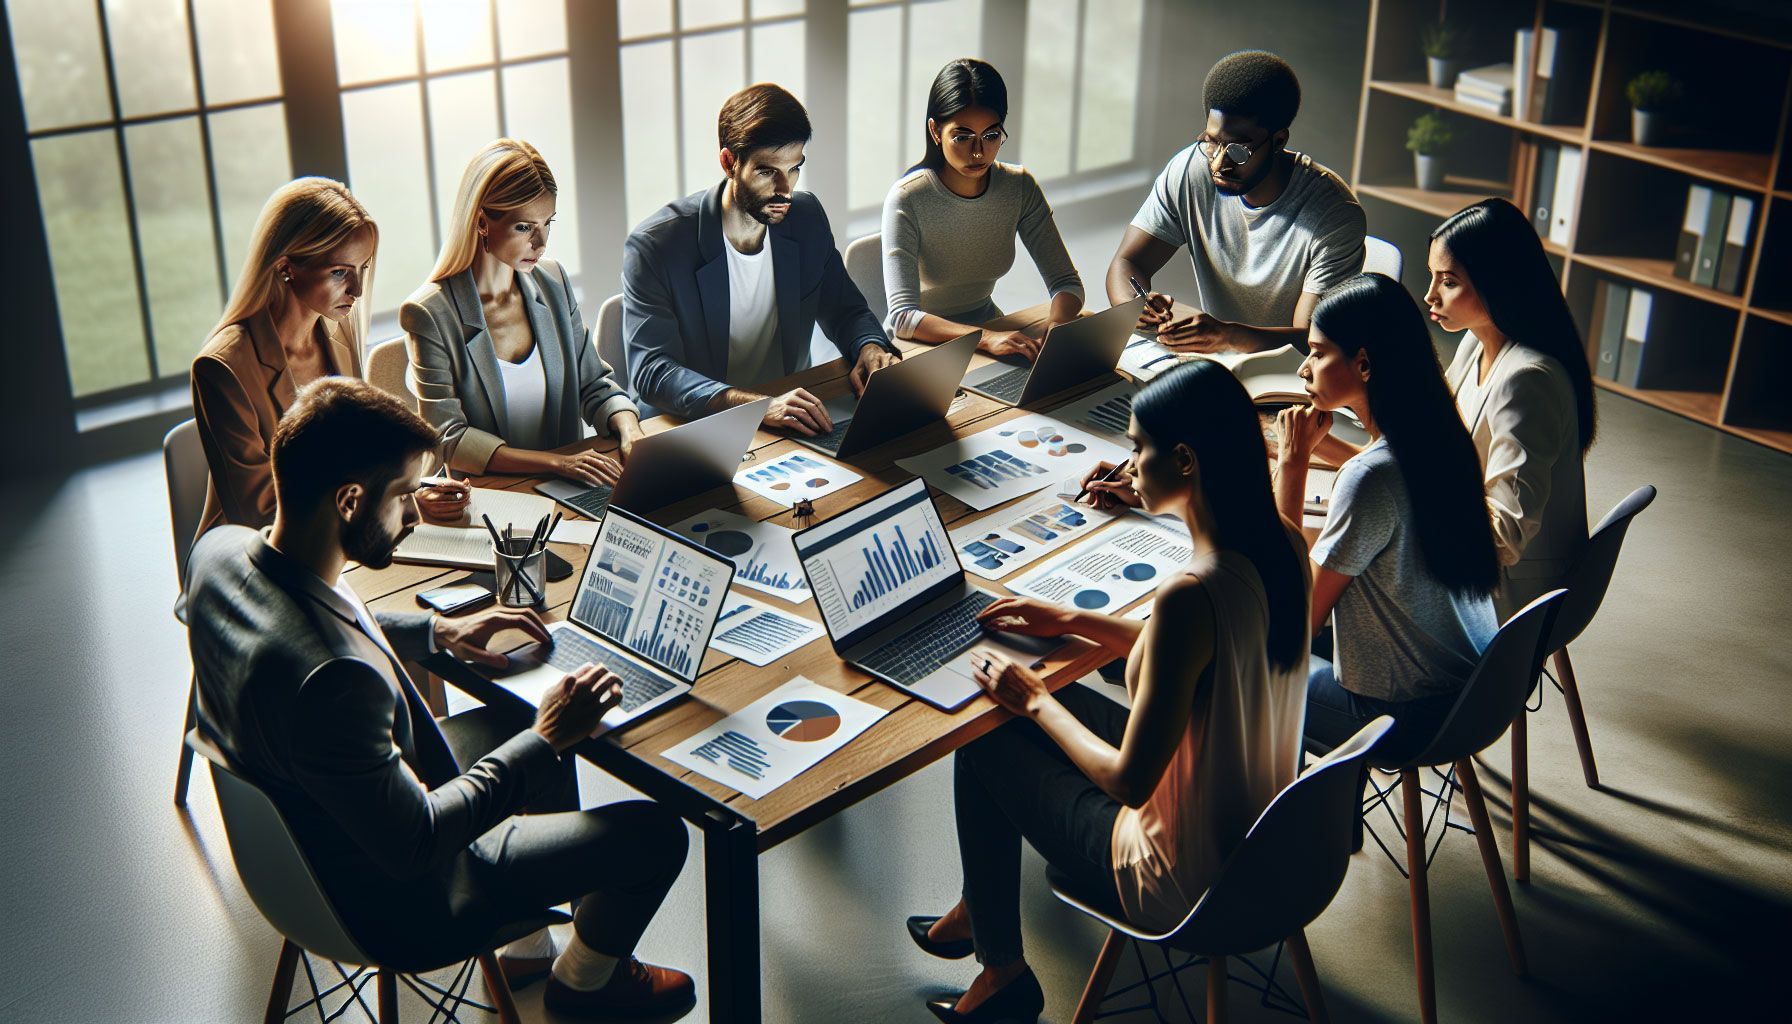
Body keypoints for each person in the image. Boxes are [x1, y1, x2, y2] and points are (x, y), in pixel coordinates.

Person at [184, 378, 696, 1019]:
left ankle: (533, 948)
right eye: (403, 495)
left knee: (521, 730)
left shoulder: (219, 552)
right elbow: (418, 842)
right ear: (349, 500)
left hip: (311, 827)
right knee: (653, 833)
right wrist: (546, 738)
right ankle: (585, 985)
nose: (414, 515)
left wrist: (436, 629)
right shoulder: (335, 683)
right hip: (401, 899)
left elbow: (316, 624)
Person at [906, 361, 1311, 1023]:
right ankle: (980, 912)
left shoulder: (1190, 594)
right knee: (1010, 711)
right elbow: (1207, 651)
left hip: (1179, 873)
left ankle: (1001, 969)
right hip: (1263, 833)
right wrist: (1069, 620)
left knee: (985, 729)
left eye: (1137, 449)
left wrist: (1036, 699)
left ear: (1184, 460)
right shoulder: (1285, 546)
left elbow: (1128, 783)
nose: (1127, 465)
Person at [1271, 274, 1500, 758]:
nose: (1303, 370)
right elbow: (1387, 487)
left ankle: (1296, 826)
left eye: (1316, 353)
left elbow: (1293, 624)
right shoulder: (1438, 434)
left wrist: (1292, 465)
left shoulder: (1368, 479)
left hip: (1404, 717)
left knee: (1234, 669)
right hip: (1476, 691)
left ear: (1364, 363)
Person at [622, 83, 901, 431]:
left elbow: (845, 308)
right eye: (768, 172)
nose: (786, 190)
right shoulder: (656, 246)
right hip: (693, 427)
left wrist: (869, 346)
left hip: (788, 415)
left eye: (794, 168)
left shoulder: (806, 217)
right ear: (728, 162)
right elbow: (653, 371)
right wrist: (757, 407)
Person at [404, 139, 643, 489]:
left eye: (548, 222)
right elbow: (450, 438)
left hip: (570, 487)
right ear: (482, 222)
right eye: (524, 227)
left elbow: (593, 384)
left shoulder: (554, 281)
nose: (541, 242)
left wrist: (630, 429)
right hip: (494, 499)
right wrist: (557, 464)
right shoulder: (429, 313)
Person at [1106, 50, 1365, 356]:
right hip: (1218, 363)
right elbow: (1127, 263)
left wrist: (1228, 336)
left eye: (1239, 150)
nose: (1219, 163)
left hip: (1292, 379)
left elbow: (1312, 343)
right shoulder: (1191, 169)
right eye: (1211, 141)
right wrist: (1135, 305)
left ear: (1279, 141)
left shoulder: (1333, 213)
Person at [1428, 198, 1593, 615]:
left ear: (1495, 282)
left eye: (1448, 282)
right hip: (1472, 540)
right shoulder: (1475, 342)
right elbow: (1435, 443)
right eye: (1433, 277)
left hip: (1517, 587)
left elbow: (1504, 533)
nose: (1430, 295)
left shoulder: (1527, 379)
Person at [882, 58, 1083, 360]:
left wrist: (1056, 327)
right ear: (936, 131)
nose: (978, 152)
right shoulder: (907, 198)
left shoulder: (1019, 187)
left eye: (990, 136)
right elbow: (903, 318)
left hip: (993, 333)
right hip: (919, 348)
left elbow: (1067, 283)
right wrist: (986, 338)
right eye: (962, 137)